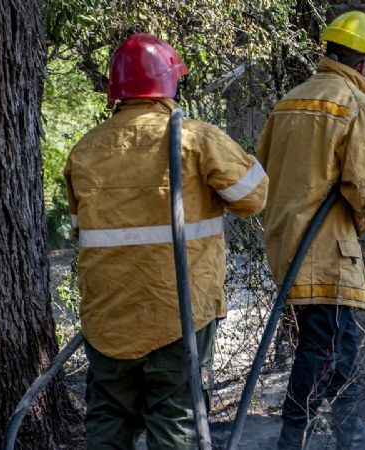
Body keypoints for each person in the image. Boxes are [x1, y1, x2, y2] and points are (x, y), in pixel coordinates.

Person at [64, 33, 268, 449]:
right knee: (177, 419)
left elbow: (80, 229)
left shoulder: (85, 151)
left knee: (107, 418)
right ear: (170, 83)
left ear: (116, 90)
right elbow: (254, 197)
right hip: (179, 314)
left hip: (108, 318)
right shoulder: (196, 139)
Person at [257, 11, 365, 450]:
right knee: (326, 349)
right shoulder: (353, 102)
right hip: (326, 248)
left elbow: (261, 172)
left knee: (335, 345)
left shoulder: (289, 101)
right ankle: (296, 438)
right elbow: (363, 185)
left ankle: (344, 433)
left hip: (286, 242)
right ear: (364, 62)